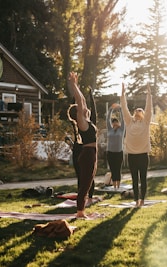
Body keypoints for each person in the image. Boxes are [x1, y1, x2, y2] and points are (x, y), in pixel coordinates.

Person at [67, 72, 97, 218]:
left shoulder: (86, 120)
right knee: (85, 184)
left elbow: (83, 100)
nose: (85, 107)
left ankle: (81, 210)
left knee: (88, 182)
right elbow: (80, 101)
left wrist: (77, 85)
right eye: (81, 108)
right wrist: (73, 85)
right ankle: (80, 212)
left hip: (91, 153)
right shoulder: (82, 122)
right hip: (87, 155)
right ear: (78, 113)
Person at [120, 83, 152, 207]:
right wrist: (123, 95)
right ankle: (136, 200)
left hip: (143, 155)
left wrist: (149, 95)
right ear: (133, 114)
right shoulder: (129, 122)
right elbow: (124, 108)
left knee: (143, 179)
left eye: (140, 110)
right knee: (134, 179)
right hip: (132, 156)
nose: (138, 111)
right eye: (136, 110)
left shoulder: (146, 122)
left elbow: (149, 108)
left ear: (143, 114)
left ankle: (142, 200)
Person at [106, 103, 125, 189]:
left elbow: (123, 119)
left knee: (118, 169)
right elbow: (107, 119)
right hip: (110, 153)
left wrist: (120, 109)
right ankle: (114, 187)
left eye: (116, 122)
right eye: (113, 123)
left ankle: (118, 185)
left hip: (119, 153)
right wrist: (111, 110)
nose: (114, 124)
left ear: (118, 123)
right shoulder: (110, 130)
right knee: (113, 169)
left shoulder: (121, 130)